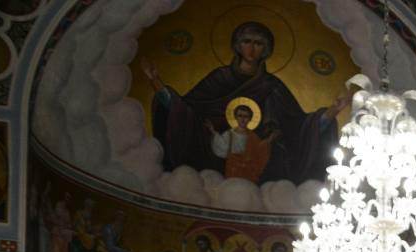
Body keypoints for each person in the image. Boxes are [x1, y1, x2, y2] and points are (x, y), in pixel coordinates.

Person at [145, 21, 346, 185]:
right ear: (238, 45)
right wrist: (156, 82)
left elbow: (298, 125)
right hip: (214, 162)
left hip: (262, 166)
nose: (251, 48)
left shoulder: (272, 86)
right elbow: (187, 109)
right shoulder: (220, 78)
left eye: (258, 43)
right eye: (247, 41)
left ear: (265, 49)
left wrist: (332, 111)